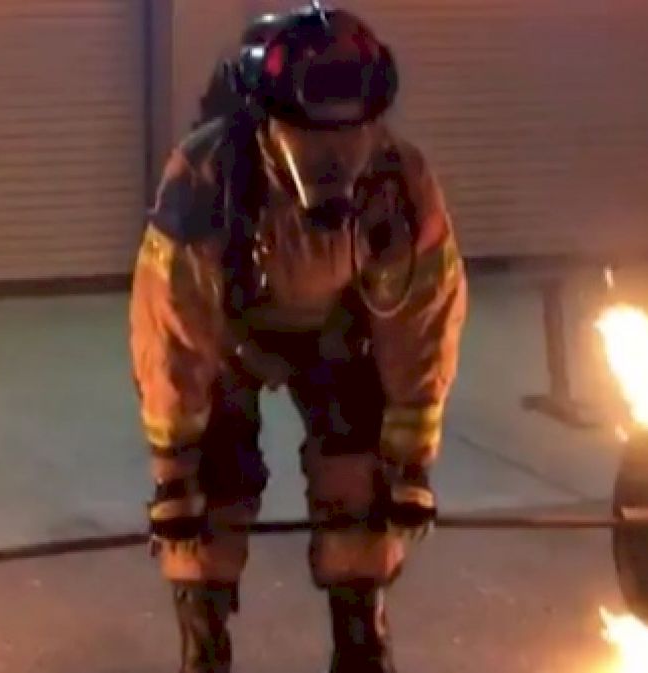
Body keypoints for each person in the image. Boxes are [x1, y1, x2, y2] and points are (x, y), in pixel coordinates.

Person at [127, 3, 468, 672]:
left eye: (353, 135)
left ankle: (360, 629)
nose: (335, 157)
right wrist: (173, 481)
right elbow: (173, 335)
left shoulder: (400, 184)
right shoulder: (206, 180)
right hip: (230, 336)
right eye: (311, 136)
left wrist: (411, 467)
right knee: (211, 487)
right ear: (267, 122)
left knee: (359, 473)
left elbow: (421, 324)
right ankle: (204, 638)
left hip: (339, 334)